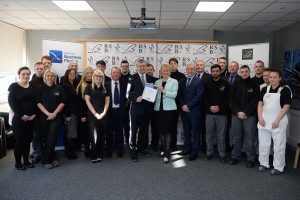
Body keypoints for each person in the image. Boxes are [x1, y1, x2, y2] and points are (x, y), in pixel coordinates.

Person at [257, 69, 292, 175]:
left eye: (274, 77)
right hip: (264, 120)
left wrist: (277, 120)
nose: (271, 79)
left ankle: (278, 166)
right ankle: (264, 163)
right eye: (270, 77)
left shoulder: (285, 89)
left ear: (280, 78)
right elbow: (260, 104)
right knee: (263, 144)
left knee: (278, 146)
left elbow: (286, 106)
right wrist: (260, 117)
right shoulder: (264, 89)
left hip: (278, 120)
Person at [229, 65, 259, 168]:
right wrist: (238, 112)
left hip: (249, 116)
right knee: (236, 137)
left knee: (250, 138)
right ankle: (235, 156)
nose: (244, 73)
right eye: (242, 71)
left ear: (249, 71)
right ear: (240, 72)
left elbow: (255, 100)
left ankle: (250, 159)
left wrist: (246, 112)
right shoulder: (235, 83)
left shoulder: (254, 84)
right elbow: (231, 99)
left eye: (246, 71)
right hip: (236, 115)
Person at [127, 59, 156, 162]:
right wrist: (135, 98)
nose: (142, 68)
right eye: (140, 66)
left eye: (144, 66)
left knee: (144, 132)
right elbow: (127, 93)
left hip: (147, 110)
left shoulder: (151, 78)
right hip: (135, 110)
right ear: (137, 67)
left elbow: (153, 92)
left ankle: (141, 149)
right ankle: (133, 152)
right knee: (133, 131)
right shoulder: (132, 77)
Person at [8, 67, 36, 170]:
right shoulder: (14, 86)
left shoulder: (32, 86)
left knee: (28, 141)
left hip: (31, 119)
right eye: (23, 74)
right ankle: (18, 163)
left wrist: (34, 114)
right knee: (20, 141)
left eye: (28, 74)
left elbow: (35, 101)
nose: (26, 76)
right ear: (19, 74)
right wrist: (21, 115)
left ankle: (26, 160)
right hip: (19, 120)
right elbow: (12, 103)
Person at [37, 69, 65, 169]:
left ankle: (45, 161)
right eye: (48, 76)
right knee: (46, 138)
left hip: (56, 117)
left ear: (55, 77)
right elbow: (38, 103)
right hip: (43, 117)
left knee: (52, 137)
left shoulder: (59, 88)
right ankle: (53, 158)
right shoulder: (40, 88)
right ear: (45, 77)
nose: (50, 77)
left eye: (52, 76)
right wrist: (47, 113)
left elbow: (62, 102)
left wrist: (54, 113)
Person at [178, 63, 204, 161]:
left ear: (195, 70)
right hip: (184, 111)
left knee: (195, 132)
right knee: (186, 131)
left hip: (194, 111)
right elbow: (179, 95)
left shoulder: (199, 81)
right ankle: (186, 149)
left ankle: (194, 152)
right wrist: (183, 106)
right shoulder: (182, 81)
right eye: (188, 69)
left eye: (192, 69)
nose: (190, 70)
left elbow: (199, 96)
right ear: (186, 69)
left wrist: (188, 106)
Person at [204, 64, 229, 163]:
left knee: (221, 135)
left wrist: (219, 107)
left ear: (220, 71)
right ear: (211, 72)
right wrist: (210, 106)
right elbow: (204, 98)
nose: (215, 73)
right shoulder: (207, 83)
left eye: (217, 71)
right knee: (209, 135)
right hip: (209, 113)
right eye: (213, 71)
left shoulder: (225, 83)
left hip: (221, 114)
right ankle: (209, 153)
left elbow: (228, 98)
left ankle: (222, 154)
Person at [154, 64, 178, 163]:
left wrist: (163, 91)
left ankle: (167, 153)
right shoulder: (157, 81)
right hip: (158, 109)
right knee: (161, 131)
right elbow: (154, 95)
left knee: (168, 131)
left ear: (170, 71)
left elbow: (174, 95)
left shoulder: (174, 81)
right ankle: (163, 149)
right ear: (161, 71)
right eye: (164, 70)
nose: (166, 72)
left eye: (167, 70)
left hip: (169, 110)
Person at [84, 69, 110, 163]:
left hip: (103, 115)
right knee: (94, 135)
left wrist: (103, 113)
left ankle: (100, 155)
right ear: (93, 77)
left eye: (100, 76)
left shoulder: (105, 88)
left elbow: (107, 102)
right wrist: (95, 114)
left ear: (102, 78)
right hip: (92, 115)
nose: (98, 77)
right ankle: (94, 155)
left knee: (102, 135)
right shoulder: (88, 87)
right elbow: (87, 101)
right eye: (96, 76)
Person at [106, 67, 127, 158]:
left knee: (119, 132)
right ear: (110, 74)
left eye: (117, 73)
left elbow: (127, 97)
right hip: (109, 112)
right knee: (109, 133)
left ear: (120, 74)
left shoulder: (124, 84)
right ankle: (109, 151)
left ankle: (120, 151)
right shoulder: (105, 84)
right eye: (113, 72)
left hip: (120, 112)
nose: (115, 74)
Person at [62, 69, 80, 160]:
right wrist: (67, 115)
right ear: (67, 74)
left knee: (72, 133)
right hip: (70, 113)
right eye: (70, 73)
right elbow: (65, 102)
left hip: (75, 112)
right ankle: (69, 153)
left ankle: (71, 151)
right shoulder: (65, 85)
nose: (72, 75)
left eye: (74, 73)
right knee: (71, 134)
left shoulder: (75, 84)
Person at [30, 62, 46, 163]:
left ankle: (44, 152)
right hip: (35, 113)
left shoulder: (47, 79)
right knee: (36, 135)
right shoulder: (31, 83)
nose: (40, 70)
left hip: (46, 113)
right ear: (35, 69)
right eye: (38, 69)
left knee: (45, 134)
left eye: (41, 68)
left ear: (44, 69)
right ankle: (37, 153)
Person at [76, 67, 94, 157]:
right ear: (84, 75)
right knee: (86, 133)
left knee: (92, 132)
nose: (90, 75)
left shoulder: (96, 83)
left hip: (94, 113)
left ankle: (93, 149)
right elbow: (80, 103)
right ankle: (87, 150)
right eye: (88, 73)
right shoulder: (81, 86)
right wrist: (82, 115)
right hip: (85, 114)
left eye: (91, 73)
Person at [195, 60, 211, 153]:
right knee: (196, 129)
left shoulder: (209, 77)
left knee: (206, 130)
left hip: (205, 108)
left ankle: (205, 148)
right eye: (197, 65)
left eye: (201, 65)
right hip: (194, 108)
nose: (199, 66)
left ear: (204, 67)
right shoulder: (192, 77)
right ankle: (196, 147)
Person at [169, 57, 185, 150]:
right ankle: (167, 144)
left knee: (174, 125)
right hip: (167, 104)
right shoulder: (166, 74)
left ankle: (173, 145)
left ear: (177, 64)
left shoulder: (182, 76)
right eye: (171, 63)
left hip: (178, 104)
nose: (172, 65)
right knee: (168, 124)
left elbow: (182, 91)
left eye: (174, 63)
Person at [146, 63, 159, 151]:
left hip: (155, 107)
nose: (149, 71)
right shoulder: (142, 80)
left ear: (154, 71)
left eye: (151, 69)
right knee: (144, 127)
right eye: (148, 69)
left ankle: (155, 145)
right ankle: (144, 144)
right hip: (145, 108)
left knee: (155, 127)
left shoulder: (158, 80)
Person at [119, 60, 131, 145]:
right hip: (119, 105)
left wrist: (129, 101)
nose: (124, 68)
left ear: (128, 67)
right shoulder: (117, 77)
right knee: (119, 125)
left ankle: (128, 141)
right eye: (123, 66)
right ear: (121, 67)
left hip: (130, 105)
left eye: (126, 66)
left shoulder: (132, 77)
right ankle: (119, 143)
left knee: (128, 125)